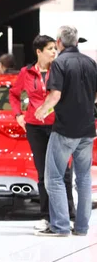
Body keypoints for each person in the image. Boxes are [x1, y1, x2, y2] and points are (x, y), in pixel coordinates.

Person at [9, 35, 76, 231]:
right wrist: (17, 115)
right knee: (43, 172)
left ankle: (69, 215)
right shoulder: (26, 72)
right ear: (39, 52)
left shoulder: (61, 69)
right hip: (35, 126)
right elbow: (13, 94)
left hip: (59, 125)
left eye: (55, 48)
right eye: (49, 49)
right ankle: (47, 216)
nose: (54, 52)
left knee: (63, 171)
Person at [35, 25, 97, 237]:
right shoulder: (91, 62)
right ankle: (81, 227)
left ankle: (60, 226)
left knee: (54, 178)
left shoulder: (59, 63)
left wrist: (42, 111)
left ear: (59, 42)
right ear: (77, 41)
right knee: (84, 179)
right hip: (88, 130)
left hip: (64, 129)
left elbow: (55, 95)